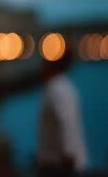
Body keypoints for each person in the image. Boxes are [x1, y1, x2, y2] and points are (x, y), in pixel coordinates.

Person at [37, 48, 87, 176]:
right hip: (60, 164)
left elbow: (66, 123)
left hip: (60, 166)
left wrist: (68, 157)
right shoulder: (62, 86)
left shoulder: (57, 89)